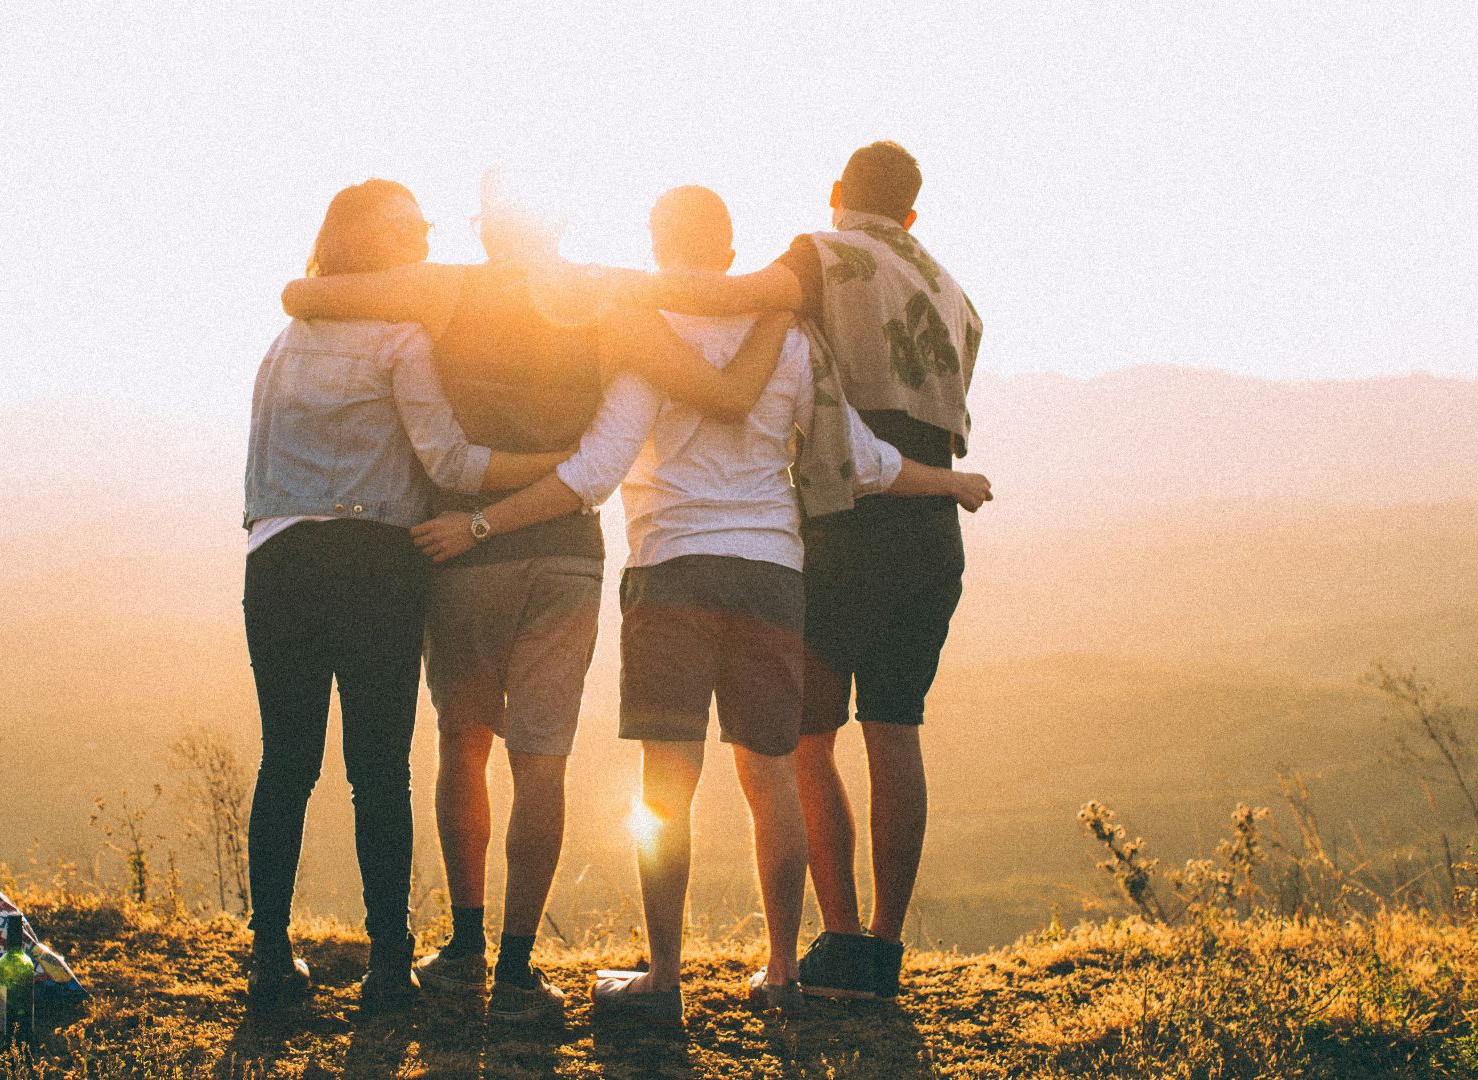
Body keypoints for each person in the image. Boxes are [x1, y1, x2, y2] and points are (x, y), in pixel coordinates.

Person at [452, 186, 981, 1026]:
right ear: (733, 255)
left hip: (670, 574)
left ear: (658, 249)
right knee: (771, 776)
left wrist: (481, 518)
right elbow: (862, 460)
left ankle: (663, 981)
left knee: (667, 783)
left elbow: (594, 472)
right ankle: (780, 972)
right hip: (772, 575)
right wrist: (947, 480)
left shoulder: (644, 342)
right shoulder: (795, 341)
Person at [281, 172, 785, 1022]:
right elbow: (719, 386)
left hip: (462, 550)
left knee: (462, 742)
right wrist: (781, 306)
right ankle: (517, 970)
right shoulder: (609, 298)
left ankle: (465, 944)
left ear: (486, 231)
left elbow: (305, 294)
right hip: (566, 557)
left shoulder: (445, 290)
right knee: (541, 761)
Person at [616, 143, 988, 1000]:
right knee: (896, 730)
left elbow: (730, 297)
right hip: (928, 524)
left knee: (804, 743)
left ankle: (837, 940)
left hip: (843, 520)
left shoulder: (821, 256)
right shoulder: (957, 294)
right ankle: (880, 954)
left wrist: (604, 288)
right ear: (913, 213)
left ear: (836, 195)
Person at [242, 179, 572, 1012]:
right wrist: (558, 468)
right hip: (375, 565)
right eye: (412, 228)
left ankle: (270, 959)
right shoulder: (400, 339)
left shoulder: (284, 342)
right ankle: (391, 964)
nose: (426, 238)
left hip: (277, 560)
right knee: (377, 771)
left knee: (286, 762)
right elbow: (452, 466)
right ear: (376, 245)